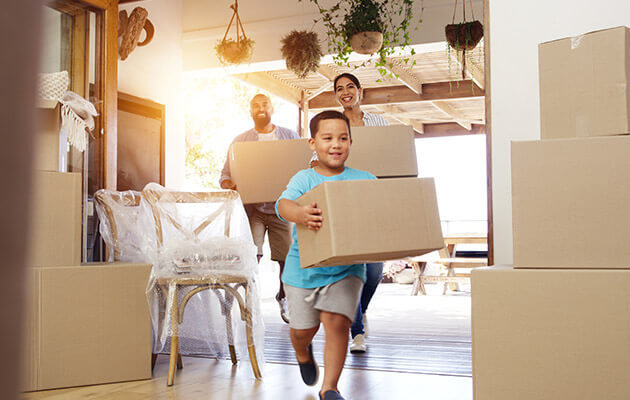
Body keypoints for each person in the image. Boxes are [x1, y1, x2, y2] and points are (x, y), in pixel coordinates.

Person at [276, 110, 375, 400]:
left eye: (343, 138)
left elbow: (380, 210)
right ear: (312, 143)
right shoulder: (304, 179)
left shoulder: (365, 179)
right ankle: (302, 352)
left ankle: (329, 388)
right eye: (328, 138)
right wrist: (301, 214)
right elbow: (283, 205)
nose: (336, 144)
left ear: (351, 143)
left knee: (337, 321)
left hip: (347, 268)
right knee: (303, 330)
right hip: (303, 269)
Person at [220, 93, 299, 324]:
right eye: (255, 105)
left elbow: (301, 167)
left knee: (286, 259)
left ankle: (283, 296)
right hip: (254, 210)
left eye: (264, 104)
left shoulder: (289, 136)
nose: (260, 108)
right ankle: (248, 300)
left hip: (281, 208)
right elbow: (225, 174)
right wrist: (229, 184)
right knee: (251, 256)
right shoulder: (239, 141)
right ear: (251, 111)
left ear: (272, 108)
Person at [333, 72, 388, 353]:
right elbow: (318, 155)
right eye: (340, 89)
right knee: (353, 270)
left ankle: (359, 311)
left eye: (350, 87)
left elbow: (389, 155)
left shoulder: (378, 121)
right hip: (344, 204)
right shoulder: (333, 124)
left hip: (372, 203)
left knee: (375, 270)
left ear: (360, 91)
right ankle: (357, 333)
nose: (345, 92)